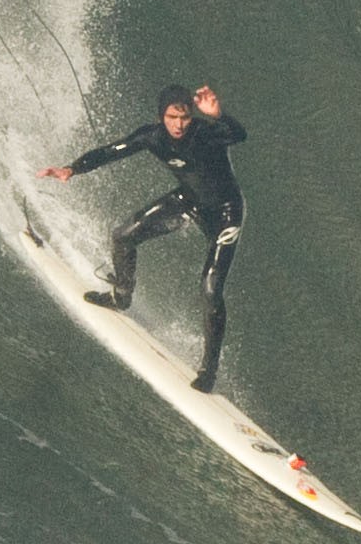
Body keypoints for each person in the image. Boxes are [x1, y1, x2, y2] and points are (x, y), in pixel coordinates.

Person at [44, 80, 253, 393]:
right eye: (172, 118)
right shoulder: (152, 136)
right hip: (191, 201)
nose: (179, 124)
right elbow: (111, 151)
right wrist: (72, 169)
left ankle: (208, 370)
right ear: (161, 118)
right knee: (123, 236)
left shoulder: (206, 132)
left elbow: (239, 135)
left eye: (184, 117)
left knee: (210, 291)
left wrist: (218, 114)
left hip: (226, 213)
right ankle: (120, 296)